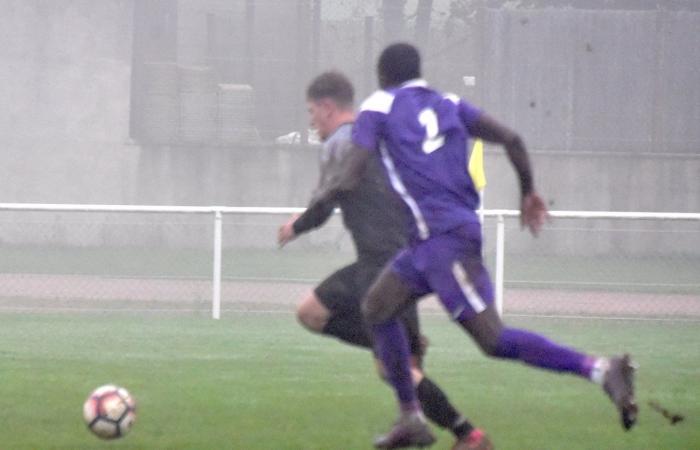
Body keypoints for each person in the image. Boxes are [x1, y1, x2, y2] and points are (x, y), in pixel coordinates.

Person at [311, 43, 636, 448]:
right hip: (426, 243)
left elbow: (353, 170)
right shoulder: (449, 103)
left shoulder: (378, 105)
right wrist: (528, 192)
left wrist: (321, 199)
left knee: (493, 340)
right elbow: (512, 138)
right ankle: (411, 417)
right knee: (376, 308)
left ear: (382, 76)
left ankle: (602, 370)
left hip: (445, 239)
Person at [278, 71, 493, 450]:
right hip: (386, 258)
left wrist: (297, 226)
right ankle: (406, 355)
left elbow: (326, 202)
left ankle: (468, 434)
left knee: (394, 369)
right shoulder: (374, 139)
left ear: (327, 108)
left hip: (384, 263)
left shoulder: (342, 144)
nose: (311, 120)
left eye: (312, 111)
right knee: (312, 312)